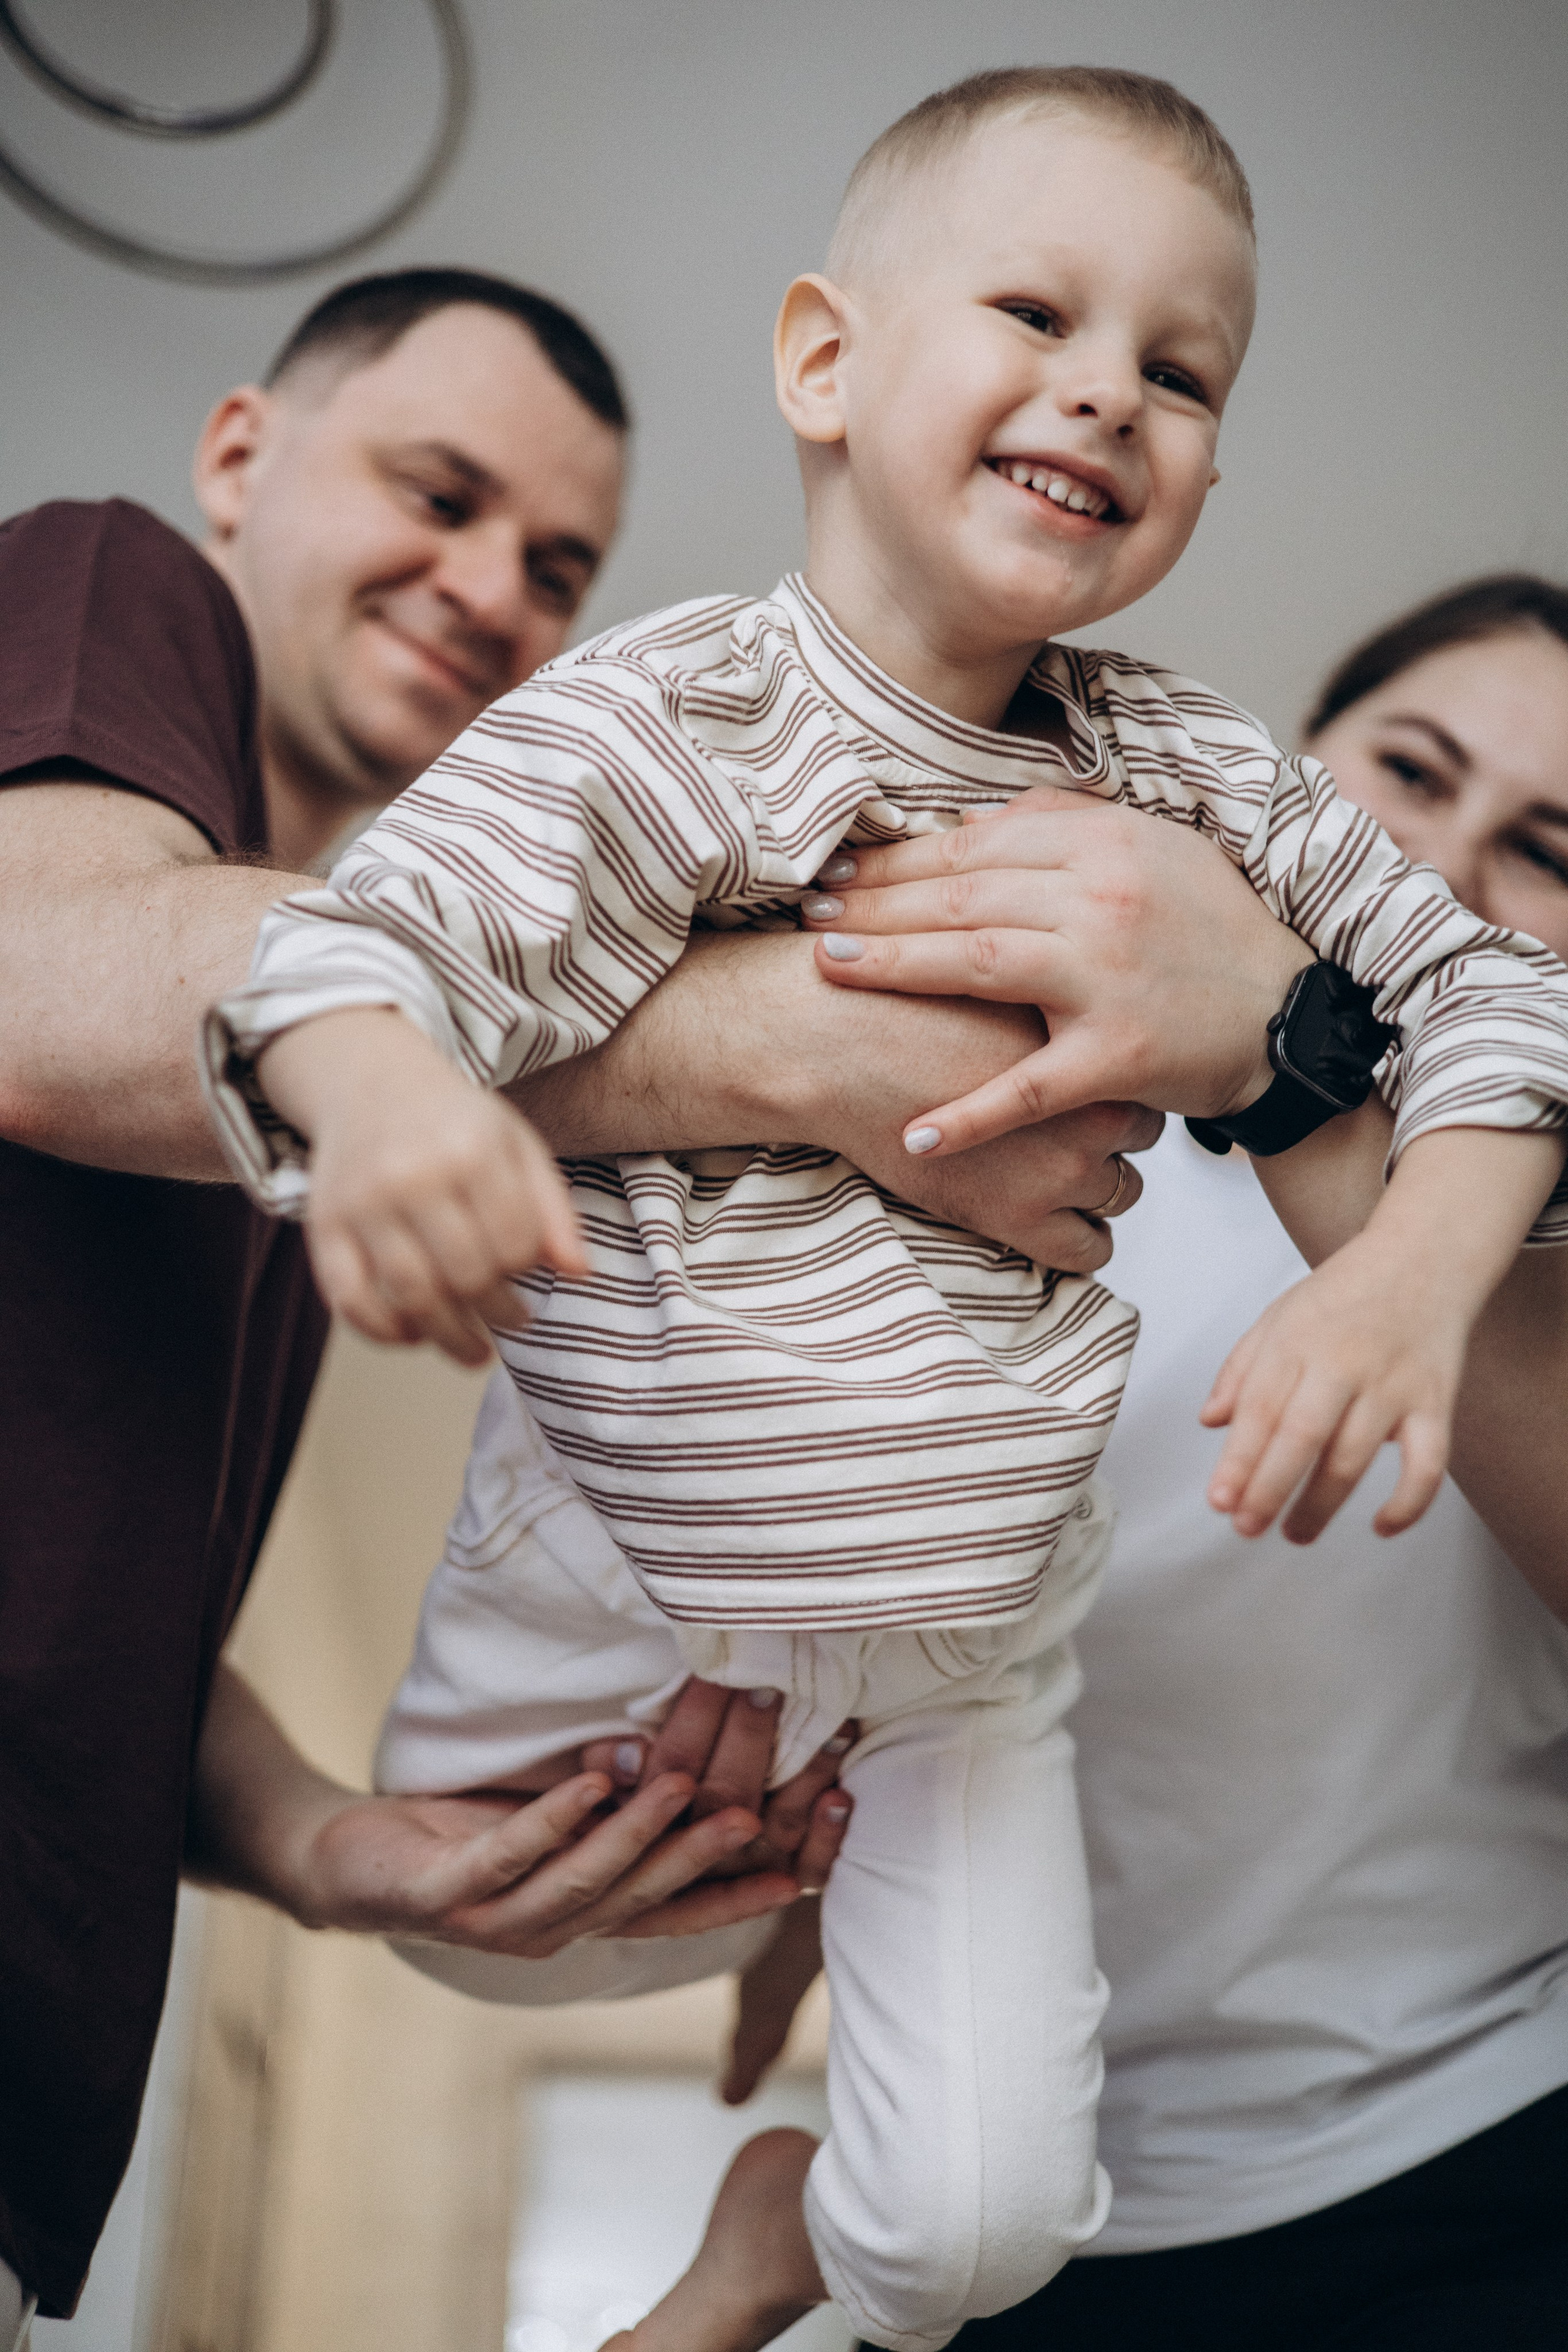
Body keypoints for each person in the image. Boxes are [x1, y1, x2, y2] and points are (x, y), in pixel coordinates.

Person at [201, 69, 1568, 2352]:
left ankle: (799, 2244)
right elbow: (346, 949)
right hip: (626, 1537)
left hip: (976, 1672)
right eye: (1038, 309)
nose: (1106, 390)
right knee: (482, 1912)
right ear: (826, 362)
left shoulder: (1199, 793)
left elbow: (1514, 1024)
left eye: (1182, 368)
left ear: (1212, 469)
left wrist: (1420, 1280)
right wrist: (393, 1102)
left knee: (957, 2251)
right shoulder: (664, 716)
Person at [0, 255, 1186, 2338]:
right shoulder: (120, 595)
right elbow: (29, 981)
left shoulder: (329, 1103)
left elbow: (89, 1588)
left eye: (558, 565)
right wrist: (791, 1046)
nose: (493, 590)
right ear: (237, 459)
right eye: (436, 492)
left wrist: (323, 1847)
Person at [780, 574, 1568, 2349]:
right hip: (1064, 2202)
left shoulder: (1540, 1222)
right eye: (1412, 771)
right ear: (1291, 766)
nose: (1448, 867)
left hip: (1480, 2151)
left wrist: (1314, 1078)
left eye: (1551, 853)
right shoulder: (1009, 1133)